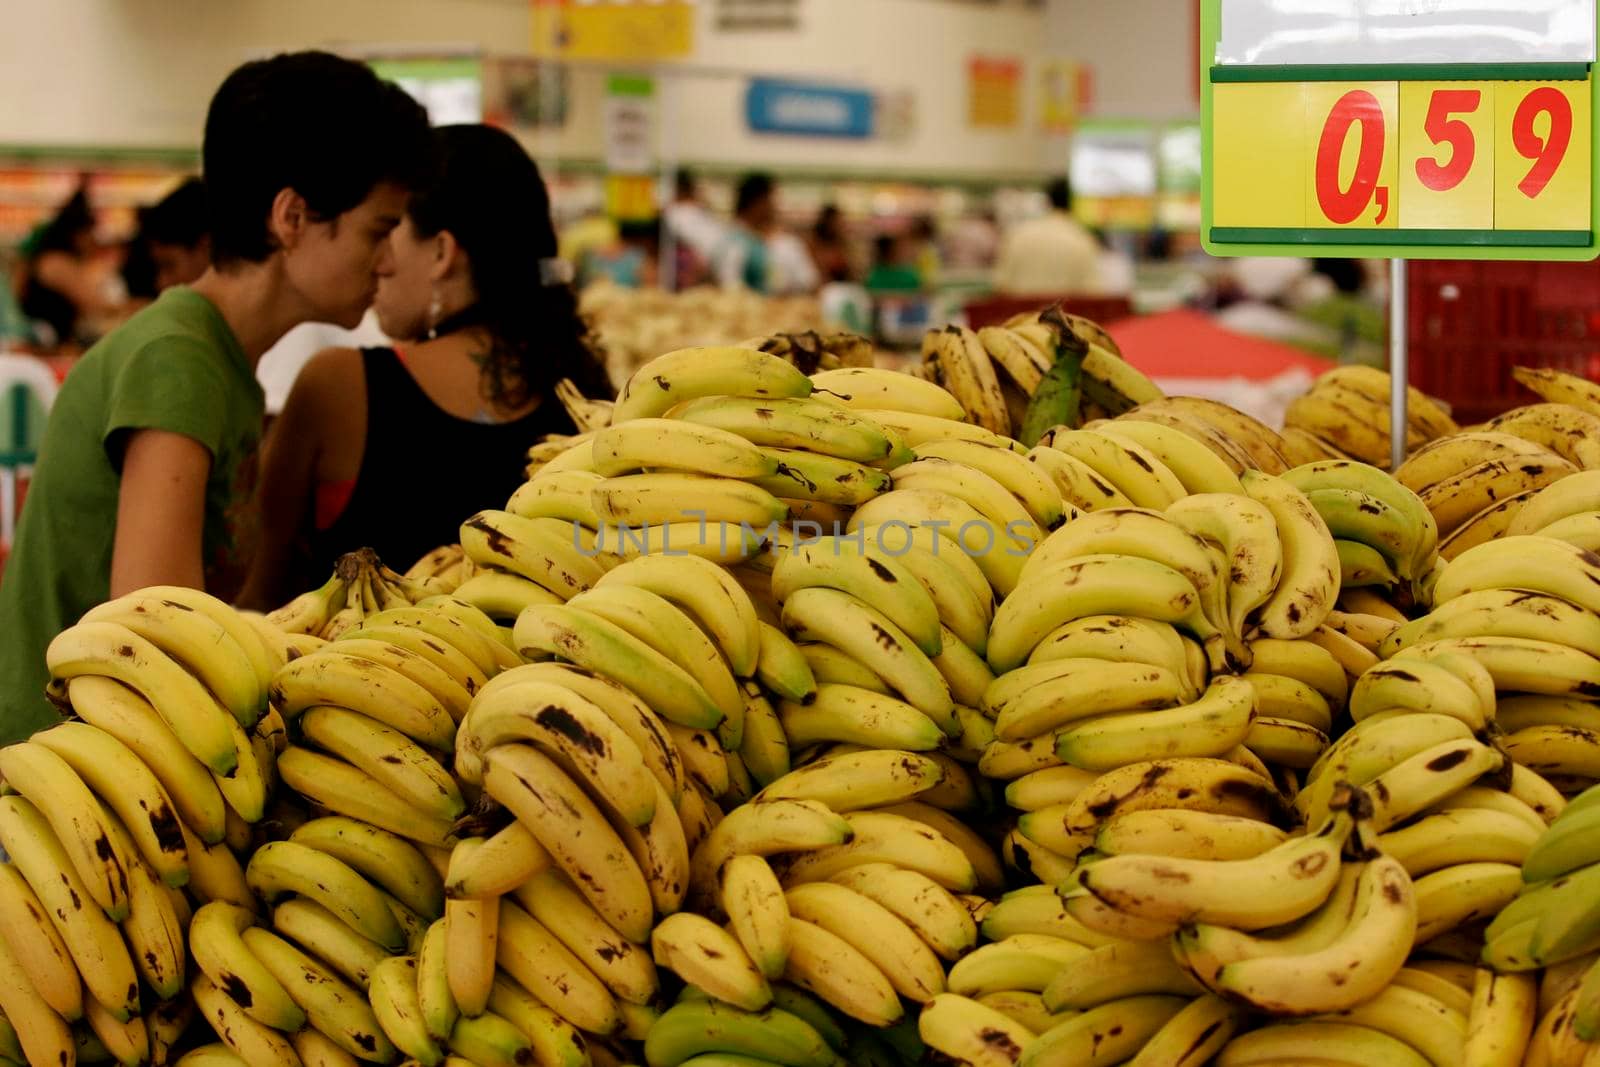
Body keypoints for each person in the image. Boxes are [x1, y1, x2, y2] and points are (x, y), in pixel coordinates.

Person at [0, 51, 432, 743]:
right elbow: (161, 645)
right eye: (377, 231)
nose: (387, 261)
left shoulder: (223, 364)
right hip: (69, 789)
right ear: (292, 216)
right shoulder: (179, 362)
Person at [239, 124, 611, 609]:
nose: (378, 263)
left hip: (349, 681)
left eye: (387, 232)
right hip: (547, 682)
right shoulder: (590, 397)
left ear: (441, 253)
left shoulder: (340, 386)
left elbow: (259, 594)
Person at [16, 184, 123, 350]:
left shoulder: (52, 259)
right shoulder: (57, 262)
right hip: (49, 346)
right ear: (77, 235)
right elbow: (94, 303)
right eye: (90, 234)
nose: (93, 241)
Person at [993, 176, 1104, 297]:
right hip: (1064, 314)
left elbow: (1001, 288)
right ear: (1076, 202)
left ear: (1048, 200)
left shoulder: (1019, 235)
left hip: (1021, 315)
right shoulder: (1082, 240)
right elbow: (1091, 295)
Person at [714, 172, 777, 292]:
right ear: (757, 203)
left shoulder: (754, 239)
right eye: (770, 201)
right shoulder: (735, 242)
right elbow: (729, 285)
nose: (773, 207)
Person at [808, 205, 853, 284]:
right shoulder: (814, 244)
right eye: (836, 221)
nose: (839, 225)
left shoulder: (841, 243)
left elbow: (850, 270)